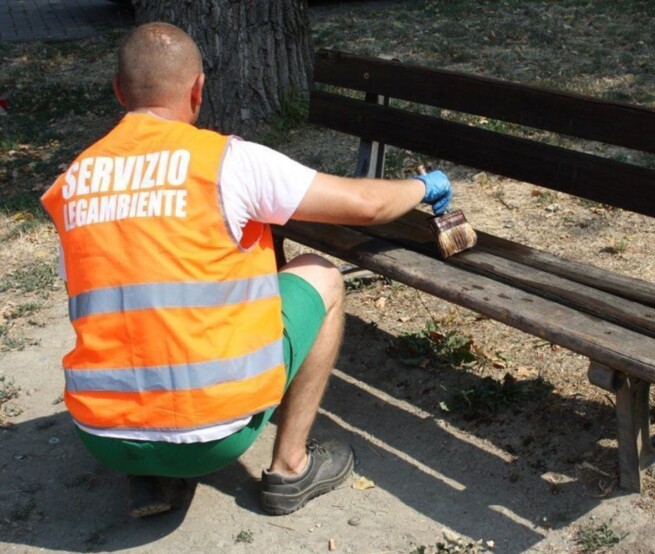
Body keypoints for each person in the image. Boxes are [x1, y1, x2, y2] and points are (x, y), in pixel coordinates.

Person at [40, 22, 453, 518]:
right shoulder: (227, 163)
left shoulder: (73, 182)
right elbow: (365, 205)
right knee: (322, 275)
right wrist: (424, 186)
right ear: (198, 90)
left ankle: (152, 476)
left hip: (104, 436)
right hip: (214, 434)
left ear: (118, 91)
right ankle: (291, 467)